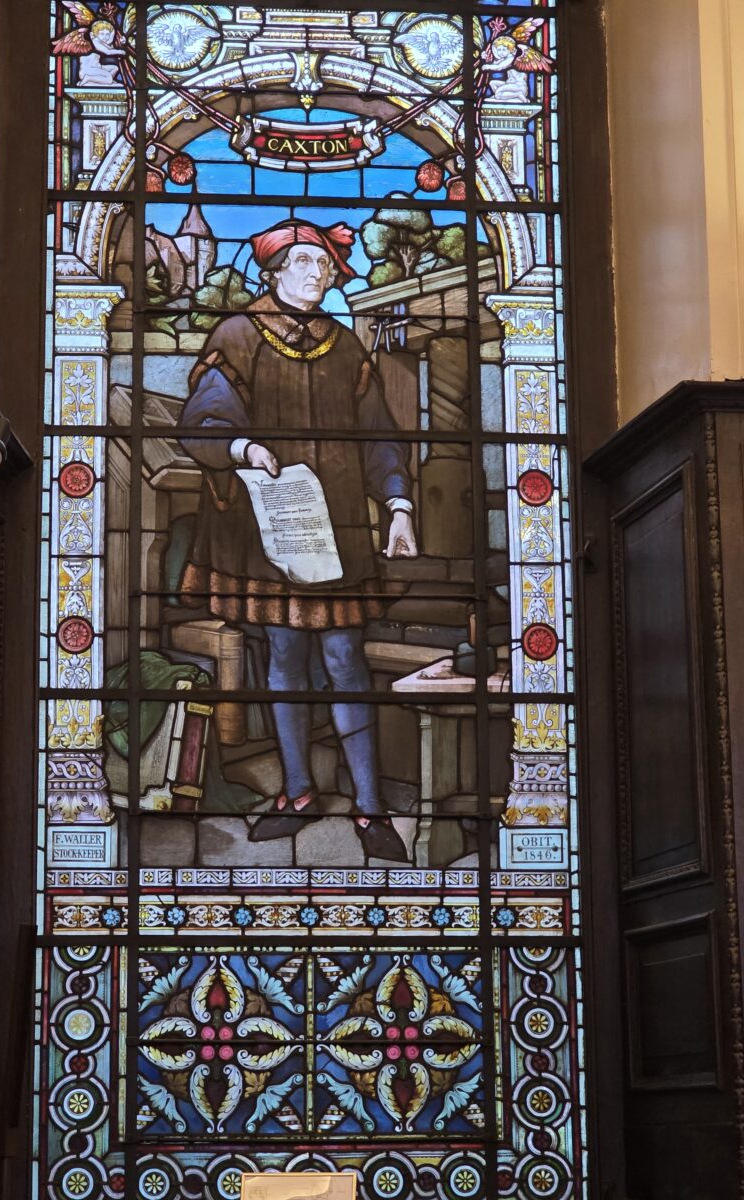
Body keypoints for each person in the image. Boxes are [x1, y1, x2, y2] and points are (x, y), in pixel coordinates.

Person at [179, 217, 418, 861]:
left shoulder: (346, 348)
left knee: (345, 658)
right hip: (270, 527)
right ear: (274, 272)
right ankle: (298, 792)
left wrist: (396, 503)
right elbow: (200, 422)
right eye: (304, 263)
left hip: (338, 531)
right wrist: (242, 445)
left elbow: (379, 436)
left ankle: (369, 807)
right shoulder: (236, 336)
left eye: (325, 265)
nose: (318, 275)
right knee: (285, 657)